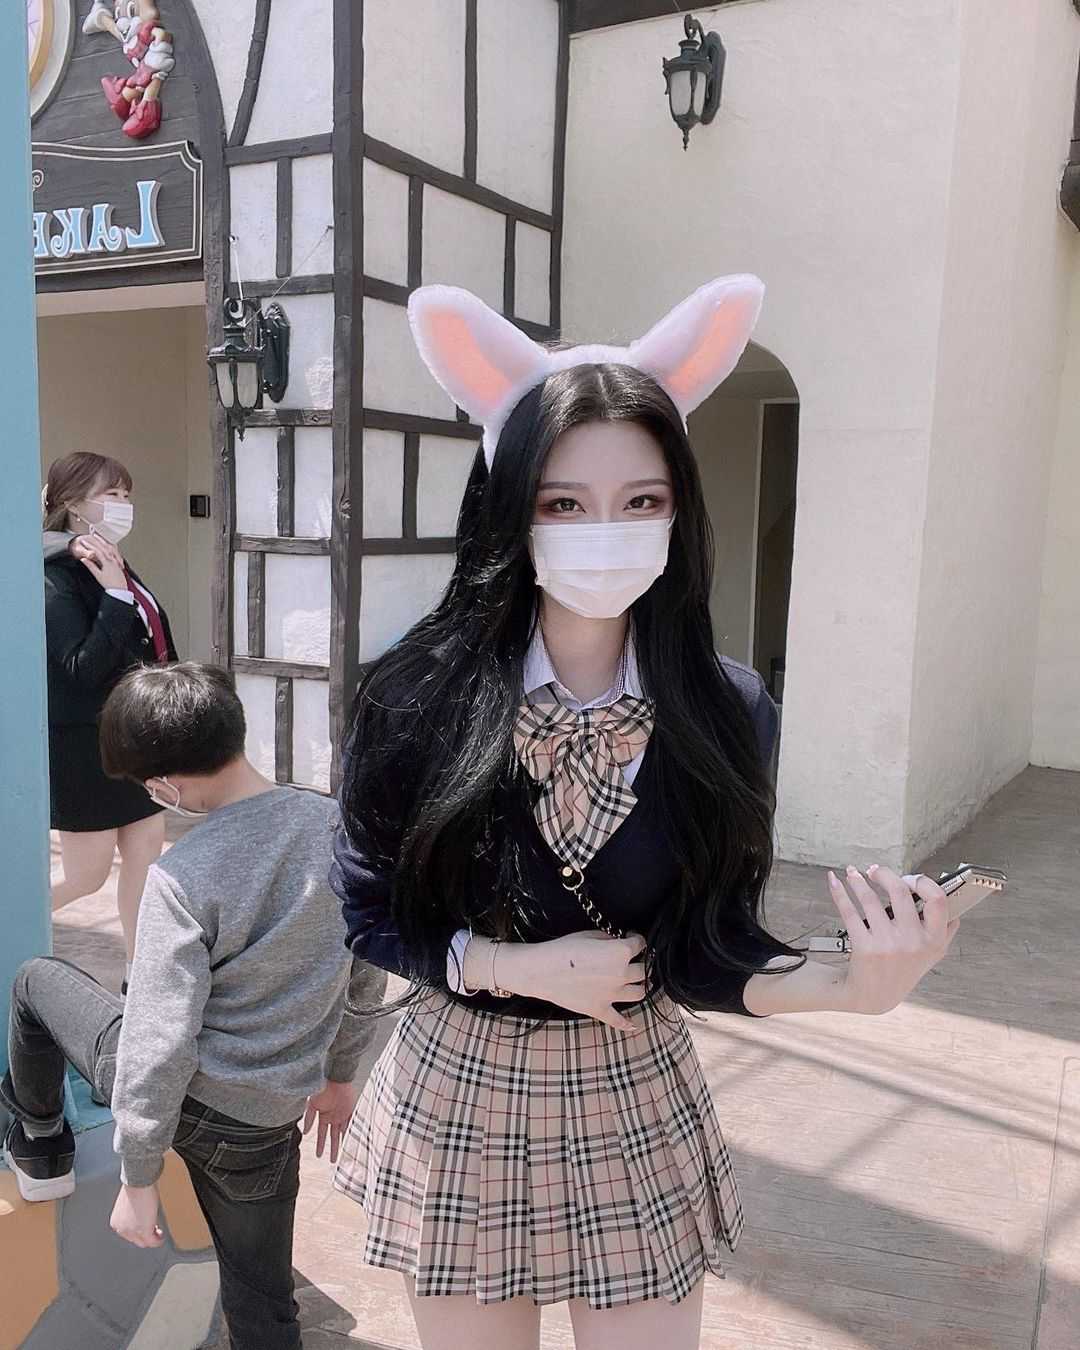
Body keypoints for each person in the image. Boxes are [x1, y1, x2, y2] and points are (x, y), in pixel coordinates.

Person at [329, 277, 960, 1350]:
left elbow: (704, 948)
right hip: (462, 1083)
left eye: (641, 501)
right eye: (563, 504)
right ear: (508, 507)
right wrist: (511, 965)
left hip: (629, 1084)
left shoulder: (725, 709)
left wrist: (854, 987)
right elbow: (367, 909)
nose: (604, 532)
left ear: (679, 510)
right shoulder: (414, 695)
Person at [2, 662, 387, 1350]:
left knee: (36, 980)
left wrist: (138, 1176)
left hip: (184, 1101)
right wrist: (339, 1075)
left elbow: (160, 1039)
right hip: (268, 1120)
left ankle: (41, 1149)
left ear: (165, 786)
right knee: (264, 1301)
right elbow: (364, 974)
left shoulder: (182, 875)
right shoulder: (341, 831)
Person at [42, 450, 175, 983]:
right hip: (86, 750)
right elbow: (80, 669)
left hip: (135, 743)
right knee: (86, 876)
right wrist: (116, 597)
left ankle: (138, 978)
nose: (123, 505)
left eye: (126, 494)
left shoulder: (110, 560)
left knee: (147, 866)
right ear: (74, 503)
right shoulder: (56, 576)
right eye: (111, 494)